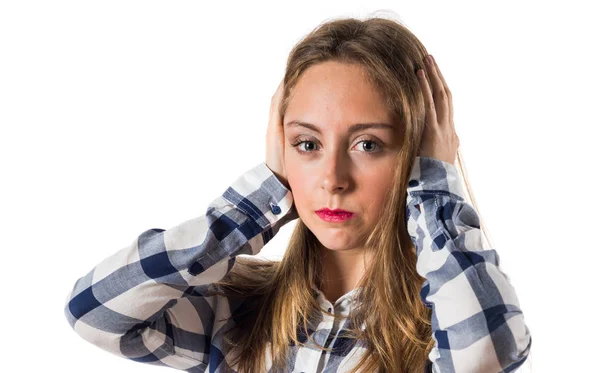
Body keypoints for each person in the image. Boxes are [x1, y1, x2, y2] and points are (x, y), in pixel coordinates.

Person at [63, 16, 532, 373]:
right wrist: (259, 200)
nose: (332, 178)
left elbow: (488, 353)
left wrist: (435, 188)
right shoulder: (236, 313)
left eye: (367, 144)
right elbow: (93, 313)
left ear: (417, 153)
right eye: (307, 144)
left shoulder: (441, 323)